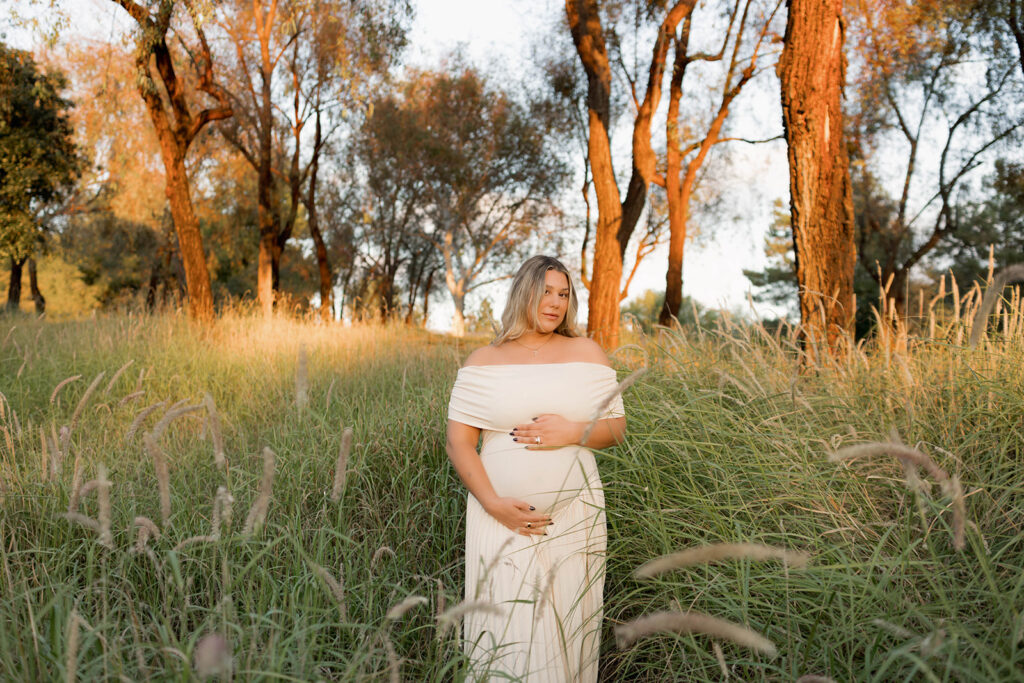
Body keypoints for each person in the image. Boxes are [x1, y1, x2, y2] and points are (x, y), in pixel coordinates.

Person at [446, 255, 627, 682]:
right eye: (546, 291)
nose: (556, 302)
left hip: (575, 517)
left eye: (563, 294)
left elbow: (616, 429)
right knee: (509, 634)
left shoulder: (587, 353)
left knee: (567, 628)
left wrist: (573, 431)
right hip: (500, 518)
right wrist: (493, 504)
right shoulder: (483, 360)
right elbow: (458, 442)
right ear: (523, 293)